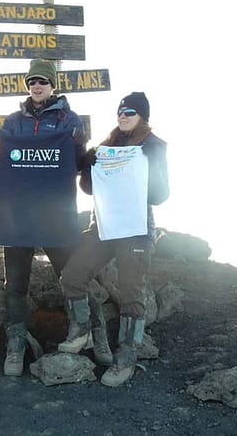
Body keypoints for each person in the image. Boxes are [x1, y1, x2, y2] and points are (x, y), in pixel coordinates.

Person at [0, 59, 112, 377]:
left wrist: (88, 157)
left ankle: (98, 337)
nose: (37, 86)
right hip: (18, 217)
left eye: (42, 81)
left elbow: (79, 165)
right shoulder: (12, 123)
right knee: (15, 285)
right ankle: (15, 345)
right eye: (32, 82)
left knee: (73, 277)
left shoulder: (70, 122)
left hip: (55, 214)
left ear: (53, 84)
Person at [57, 91, 170, 387]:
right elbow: (90, 190)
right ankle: (81, 330)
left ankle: (126, 358)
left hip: (135, 230)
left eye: (130, 112)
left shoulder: (153, 146)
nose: (123, 116)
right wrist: (89, 166)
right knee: (72, 274)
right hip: (103, 228)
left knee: (131, 295)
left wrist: (148, 167)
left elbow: (160, 196)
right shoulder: (106, 146)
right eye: (120, 112)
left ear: (143, 117)